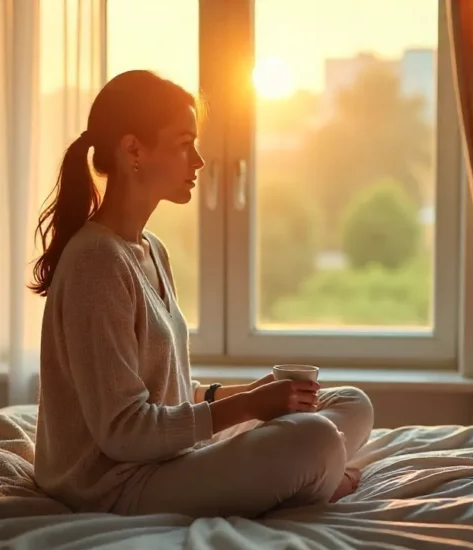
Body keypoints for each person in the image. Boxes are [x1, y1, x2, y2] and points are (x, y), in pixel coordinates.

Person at [31, 70, 374, 519]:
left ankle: (317, 471)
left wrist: (249, 393)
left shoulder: (150, 249)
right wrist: (247, 407)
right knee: (318, 439)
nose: (198, 161)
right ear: (133, 150)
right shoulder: (96, 263)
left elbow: (164, 392)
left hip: (167, 456)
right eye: (183, 144)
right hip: (119, 483)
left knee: (351, 404)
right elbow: (123, 431)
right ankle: (323, 475)